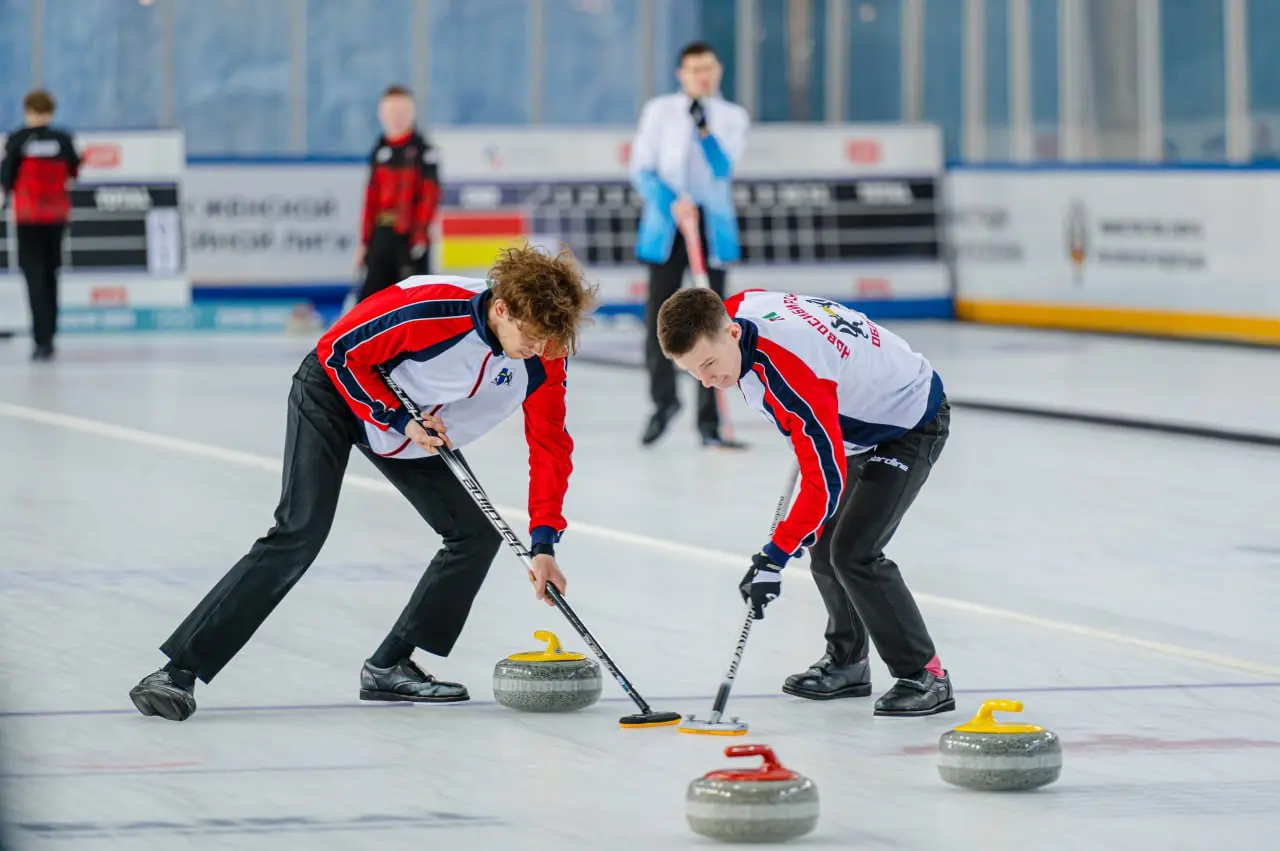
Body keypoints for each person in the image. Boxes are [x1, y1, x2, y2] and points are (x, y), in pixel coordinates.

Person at [128, 244, 596, 722]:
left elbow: (550, 446)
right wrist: (395, 417)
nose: (539, 349)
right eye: (532, 336)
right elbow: (337, 351)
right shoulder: (430, 307)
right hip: (335, 395)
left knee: (474, 534)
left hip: (413, 422)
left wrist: (544, 543)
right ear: (502, 308)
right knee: (299, 533)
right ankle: (176, 672)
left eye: (549, 340)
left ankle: (390, 664)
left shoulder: (545, 355)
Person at [656, 287, 954, 717]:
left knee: (854, 552)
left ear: (732, 332)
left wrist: (772, 559)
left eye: (709, 365)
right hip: (850, 416)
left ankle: (926, 676)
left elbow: (824, 483)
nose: (707, 381)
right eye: (692, 372)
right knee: (823, 545)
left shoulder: (794, 378)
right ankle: (848, 663)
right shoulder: (733, 309)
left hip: (908, 421)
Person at [629, 41, 749, 450]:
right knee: (658, 318)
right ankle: (663, 403)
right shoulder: (659, 111)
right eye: (695, 68)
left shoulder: (731, 117)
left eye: (710, 68)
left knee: (713, 320)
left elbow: (722, 167)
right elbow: (641, 169)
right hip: (668, 225)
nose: (703, 75)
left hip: (710, 229)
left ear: (718, 72)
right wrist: (669, 201)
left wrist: (704, 129)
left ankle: (709, 420)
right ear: (682, 72)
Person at [0, 89, 79, 361]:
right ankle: (50, 335)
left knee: (34, 277)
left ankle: (40, 340)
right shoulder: (63, 139)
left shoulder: (18, 139)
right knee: (51, 275)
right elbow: (74, 170)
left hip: (28, 217)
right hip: (56, 216)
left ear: (27, 111)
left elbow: (7, 177)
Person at [353, 84, 441, 304]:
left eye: (402, 112)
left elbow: (429, 197)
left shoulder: (423, 151)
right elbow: (371, 199)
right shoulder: (379, 149)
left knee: (413, 302)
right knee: (368, 302)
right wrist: (365, 242)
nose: (396, 118)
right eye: (391, 112)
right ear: (381, 114)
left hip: (409, 239)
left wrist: (419, 235)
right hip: (381, 238)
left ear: (412, 113)